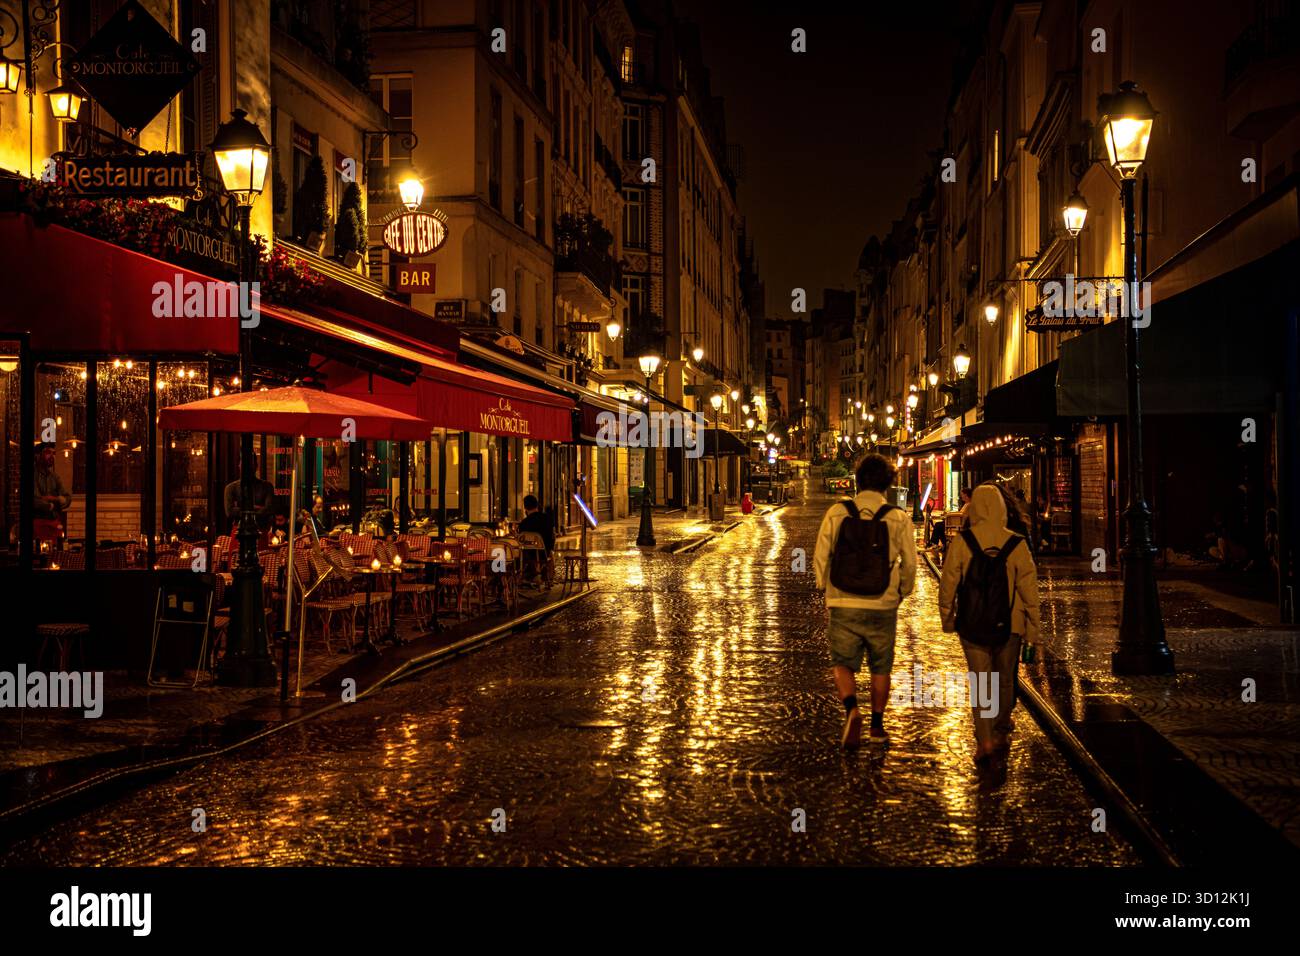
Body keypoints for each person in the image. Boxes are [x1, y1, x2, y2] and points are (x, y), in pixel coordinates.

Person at [813, 453, 917, 748]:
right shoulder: (898, 518)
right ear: (888, 484)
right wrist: (902, 592)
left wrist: (825, 587)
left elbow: (821, 554)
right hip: (882, 602)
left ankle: (851, 710)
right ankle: (877, 726)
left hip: (843, 601)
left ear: (858, 481)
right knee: (880, 665)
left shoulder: (837, 512)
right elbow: (910, 564)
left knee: (842, 662)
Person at [938, 485, 1041, 765]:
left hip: (972, 624)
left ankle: (983, 740)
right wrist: (1034, 629)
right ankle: (999, 730)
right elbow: (1029, 591)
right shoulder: (1016, 543)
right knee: (1005, 680)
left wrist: (948, 619)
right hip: (1012, 624)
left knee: (981, 682)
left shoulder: (963, 542)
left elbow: (948, 585)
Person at [223, 453, 276, 531]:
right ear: (239, 465)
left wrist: (242, 509)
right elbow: (230, 512)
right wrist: (257, 508)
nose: (247, 468)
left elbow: (269, 509)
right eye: (244, 464)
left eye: (250, 464)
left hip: (260, 530)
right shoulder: (231, 488)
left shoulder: (267, 486)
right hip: (240, 530)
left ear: (256, 466)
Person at [34, 441, 71, 544]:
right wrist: (55, 503)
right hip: (38, 524)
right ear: (38, 456)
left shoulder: (54, 477)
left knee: (57, 555)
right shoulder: (33, 475)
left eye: (53, 453)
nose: (52, 456)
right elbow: (35, 501)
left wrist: (52, 499)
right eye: (48, 453)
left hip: (54, 524)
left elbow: (67, 498)